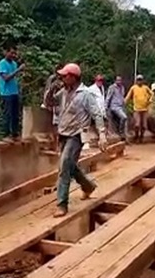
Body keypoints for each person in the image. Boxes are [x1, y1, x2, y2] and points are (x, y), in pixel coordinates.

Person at [44, 63, 107, 217]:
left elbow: (97, 114)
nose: (63, 78)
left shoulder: (85, 94)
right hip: (63, 133)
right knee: (70, 165)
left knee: (64, 165)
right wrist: (50, 89)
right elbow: (49, 103)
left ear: (73, 77)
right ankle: (88, 186)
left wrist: (102, 134)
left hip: (77, 135)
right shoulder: (63, 93)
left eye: (65, 76)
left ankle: (62, 204)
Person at [0, 45, 25, 141]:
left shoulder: (14, 64)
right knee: (7, 114)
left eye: (14, 53)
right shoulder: (2, 63)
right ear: (6, 52)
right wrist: (18, 70)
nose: (13, 55)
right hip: (6, 93)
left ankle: (14, 134)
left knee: (15, 114)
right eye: (11, 53)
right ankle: (6, 134)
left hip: (14, 92)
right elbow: (6, 78)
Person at [125, 74, 153, 143]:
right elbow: (128, 97)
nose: (139, 81)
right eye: (138, 80)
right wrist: (124, 102)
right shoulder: (133, 88)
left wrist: (150, 100)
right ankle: (136, 136)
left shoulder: (145, 88)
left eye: (141, 80)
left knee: (144, 125)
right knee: (137, 124)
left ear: (143, 81)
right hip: (136, 109)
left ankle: (141, 137)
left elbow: (152, 94)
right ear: (136, 81)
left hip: (145, 109)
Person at [43, 64, 64, 150]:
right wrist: (47, 103)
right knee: (55, 125)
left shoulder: (65, 79)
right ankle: (56, 144)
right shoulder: (52, 79)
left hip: (62, 103)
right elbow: (47, 90)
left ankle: (60, 144)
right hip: (55, 103)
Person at [106, 75, 128, 140]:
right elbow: (108, 97)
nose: (119, 81)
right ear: (115, 81)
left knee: (124, 119)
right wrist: (106, 107)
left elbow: (122, 97)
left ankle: (123, 134)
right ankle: (121, 132)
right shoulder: (112, 87)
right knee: (124, 117)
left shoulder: (122, 87)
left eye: (120, 80)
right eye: (118, 80)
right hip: (114, 106)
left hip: (121, 106)